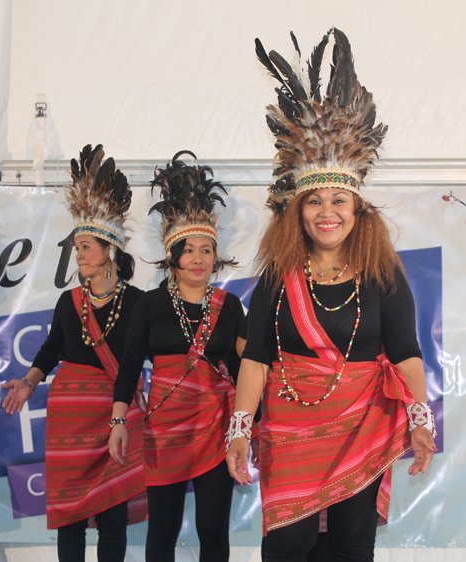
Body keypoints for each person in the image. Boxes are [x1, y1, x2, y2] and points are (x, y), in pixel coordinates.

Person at [226, 29, 437, 562]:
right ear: (296, 211)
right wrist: (240, 431)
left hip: (362, 427)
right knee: (287, 545)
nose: (327, 212)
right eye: (314, 200)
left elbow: (407, 353)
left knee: (349, 547)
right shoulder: (276, 276)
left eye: (339, 200)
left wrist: (419, 420)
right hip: (290, 430)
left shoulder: (383, 275)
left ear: (356, 208)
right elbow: (255, 359)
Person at [1, 145, 147, 562]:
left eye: (86, 247)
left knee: (113, 514)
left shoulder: (138, 302)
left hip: (115, 412)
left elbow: (138, 360)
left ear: (110, 252)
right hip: (69, 416)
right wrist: (29, 383)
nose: (79, 255)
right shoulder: (69, 302)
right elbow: (51, 348)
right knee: (68, 515)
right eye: (77, 247)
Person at [109, 151, 244, 562]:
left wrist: (249, 423)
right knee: (163, 528)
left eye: (207, 249)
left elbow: (244, 369)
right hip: (164, 429)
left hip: (216, 424)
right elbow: (130, 365)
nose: (199, 258)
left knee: (213, 528)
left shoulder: (231, 304)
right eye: (190, 250)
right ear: (173, 256)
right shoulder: (149, 305)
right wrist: (118, 421)